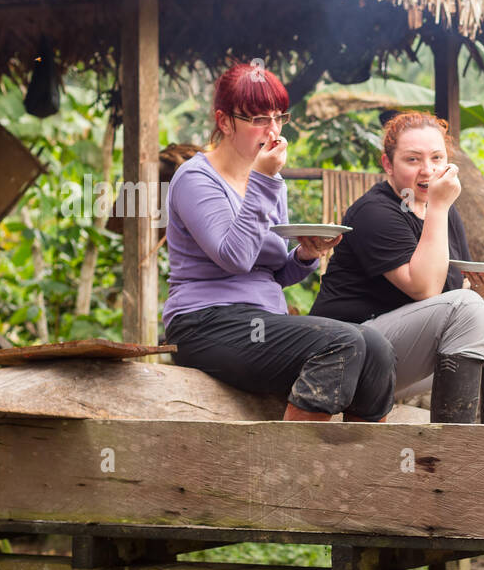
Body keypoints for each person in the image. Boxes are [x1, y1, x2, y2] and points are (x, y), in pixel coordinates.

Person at [162, 62, 395, 422]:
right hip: (205, 323)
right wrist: (263, 182)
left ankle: (364, 471)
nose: (272, 131)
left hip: (261, 320)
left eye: (278, 117)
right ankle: (293, 470)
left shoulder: (270, 181)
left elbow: (272, 272)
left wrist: (305, 254)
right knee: (343, 342)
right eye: (258, 119)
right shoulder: (196, 179)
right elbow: (235, 259)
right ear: (224, 122)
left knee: (377, 348)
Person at [310, 111, 484, 423]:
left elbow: (452, 303)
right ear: (388, 164)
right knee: (467, 304)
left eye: (437, 158)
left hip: (405, 355)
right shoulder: (374, 212)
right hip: (352, 354)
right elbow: (425, 290)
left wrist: (483, 287)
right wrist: (439, 205)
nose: (427, 170)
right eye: (412, 160)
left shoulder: (444, 213)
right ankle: (450, 450)